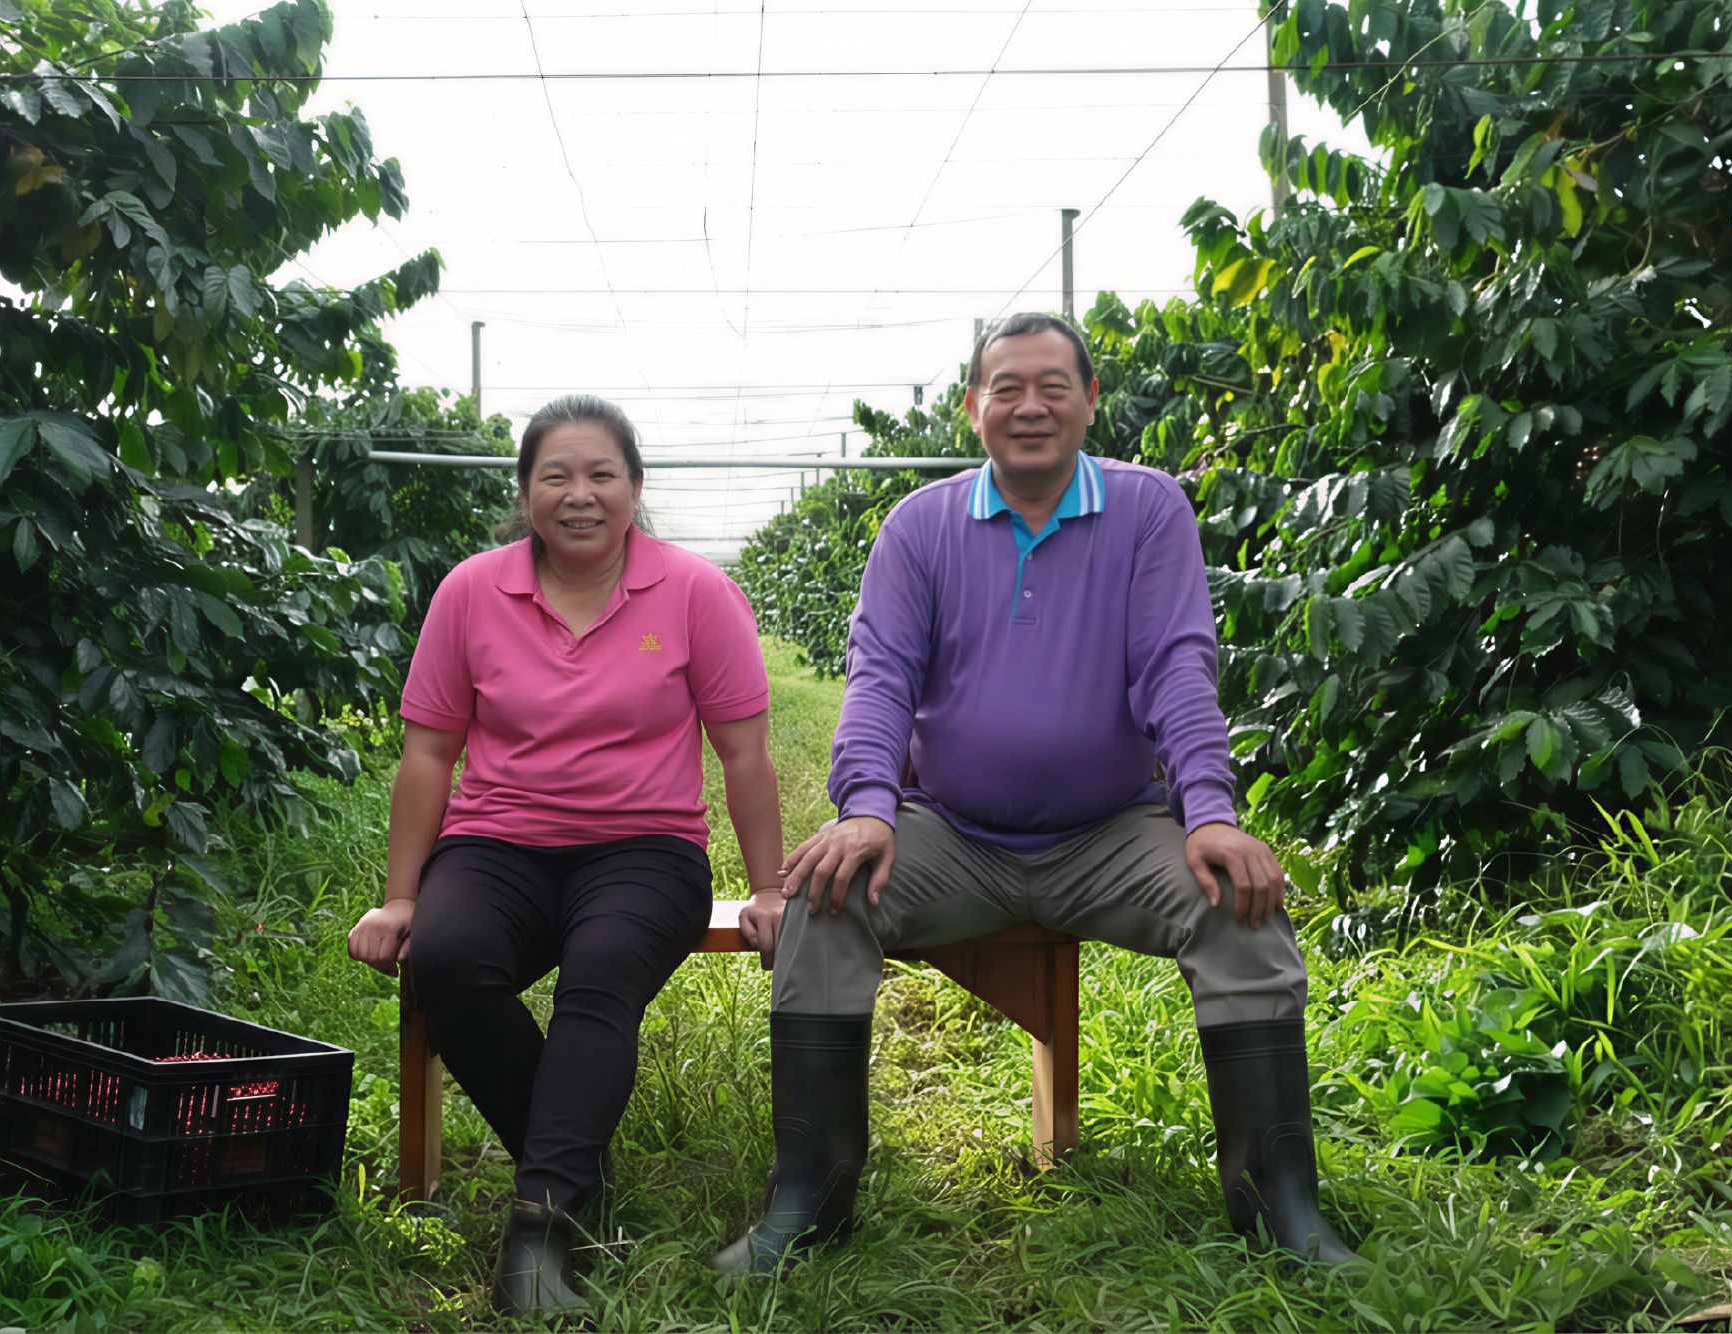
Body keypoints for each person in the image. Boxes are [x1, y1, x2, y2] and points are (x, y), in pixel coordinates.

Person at [718, 313, 1358, 1275]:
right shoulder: (921, 527)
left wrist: (1212, 812)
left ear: (1091, 401)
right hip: (954, 833)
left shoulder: (1148, 512)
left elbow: (1177, 667)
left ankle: (1280, 1204)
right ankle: (812, 1195)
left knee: (1238, 909)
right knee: (826, 895)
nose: (1030, 405)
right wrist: (865, 806)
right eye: (1006, 387)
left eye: (1054, 385)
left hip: (1112, 833)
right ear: (974, 406)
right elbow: (880, 677)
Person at [348, 395, 788, 1314]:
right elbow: (428, 755)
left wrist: (770, 886)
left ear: (634, 487)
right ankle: (577, 1163)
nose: (579, 495)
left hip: (647, 849)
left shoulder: (695, 592)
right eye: (556, 476)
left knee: (603, 970)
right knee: (447, 957)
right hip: (496, 842)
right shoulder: (472, 589)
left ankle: (540, 1225)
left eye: (601, 475)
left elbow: (743, 753)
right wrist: (399, 900)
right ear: (525, 491)